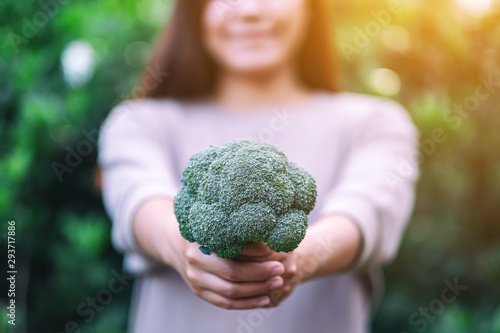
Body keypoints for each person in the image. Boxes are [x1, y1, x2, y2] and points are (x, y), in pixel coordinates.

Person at [98, 0, 419, 332]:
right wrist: (183, 250)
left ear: (310, 8)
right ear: (196, 11)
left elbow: (369, 211)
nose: (250, 9)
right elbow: (138, 200)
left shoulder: (373, 122)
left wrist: (298, 258)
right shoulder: (138, 121)